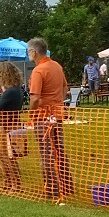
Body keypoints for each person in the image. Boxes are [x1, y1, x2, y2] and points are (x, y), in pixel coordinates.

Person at [27, 38, 73, 201]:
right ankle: (67, 186)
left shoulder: (38, 71)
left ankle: (51, 188)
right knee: (59, 150)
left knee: (46, 153)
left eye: (28, 51)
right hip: (57, 115)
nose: (28, 55)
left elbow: (35, 99)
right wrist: (56, 102)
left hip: (43, 117)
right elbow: (65, 88)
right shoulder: (57, 66)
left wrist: (31, 114)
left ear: (34, 52)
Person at [0, 61, 25, 194]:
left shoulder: (10, 91)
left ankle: (15, 185)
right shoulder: (18, 90)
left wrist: (3, 93)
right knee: (5, 156)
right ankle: (8, 183)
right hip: (14, 124)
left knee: (9, 157)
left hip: (8, 127)